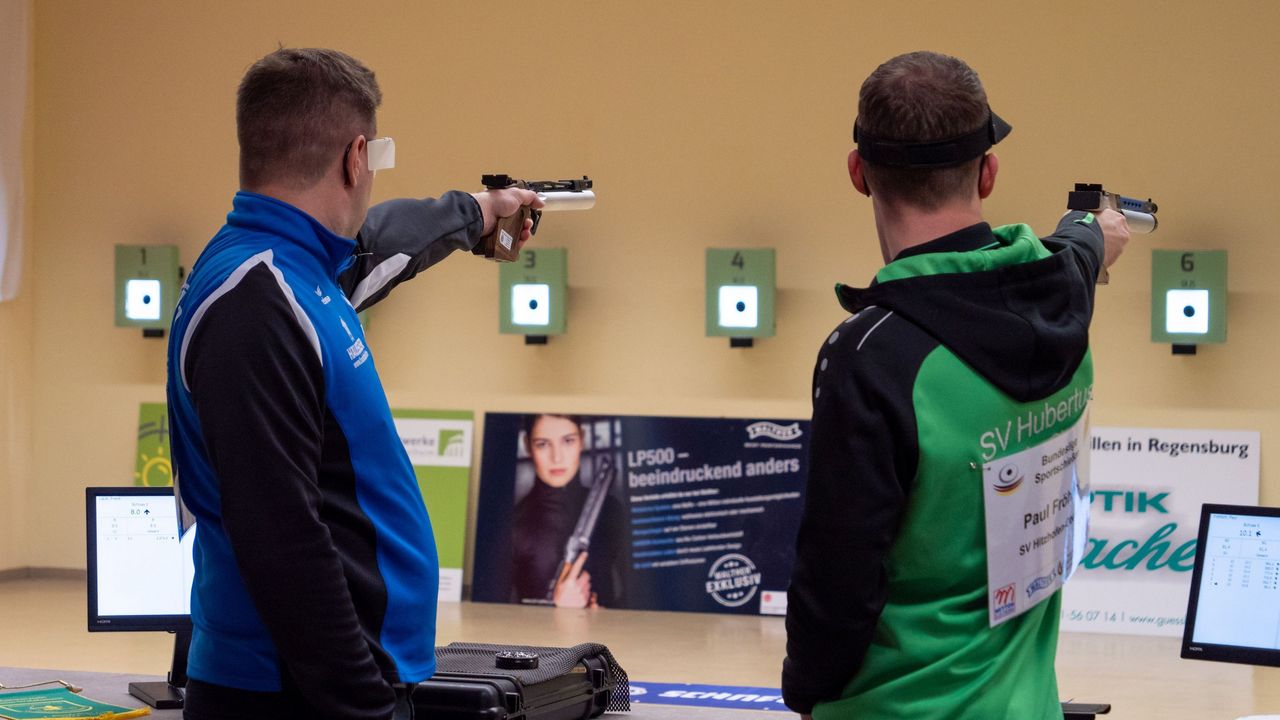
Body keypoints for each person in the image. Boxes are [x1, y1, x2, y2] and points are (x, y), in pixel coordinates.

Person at [165, 48, 542, 720]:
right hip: (293, 692)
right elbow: (280, 539)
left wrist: (479, 213)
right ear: (356, 156)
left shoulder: (292, 269)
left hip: (317, 682)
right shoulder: (256, 302)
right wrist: (362, 705)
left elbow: (380, 245)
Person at [781, 51, 1131, 720]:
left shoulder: (873, 354)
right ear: (989, 172)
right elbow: (1078, 248)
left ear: (858, 173)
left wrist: (804, 692)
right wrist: (1093, 227)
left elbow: (838, 583)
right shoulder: (1062, 297)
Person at [511, 414, 626, 607]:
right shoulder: (513, 524)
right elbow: (497, 618)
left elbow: (644, 598)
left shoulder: (611, 509)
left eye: (568, 441)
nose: (557, 457)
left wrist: (606, 617)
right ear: (527, 445)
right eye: (543, 444)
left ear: (582, 439)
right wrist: (558, 609)